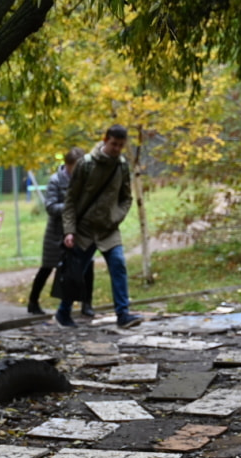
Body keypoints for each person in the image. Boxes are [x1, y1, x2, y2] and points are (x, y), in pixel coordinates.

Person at [58, 125, 143, 329]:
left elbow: (126, 198)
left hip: (108, 229)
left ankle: (123, 314)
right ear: (105, 140)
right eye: (114, 144)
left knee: (118, 264)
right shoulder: (85, 164)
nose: (116, 149)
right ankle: (63, 312)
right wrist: (69, 230)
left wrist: (116, 217)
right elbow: (70, 200)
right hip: (85, 229)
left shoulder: (121, 166)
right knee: (76, 272)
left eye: (121, 145)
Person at [26, 147, 94, 316]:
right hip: (56, 233)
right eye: (75, 168)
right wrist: (71, 208)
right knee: (48, 267)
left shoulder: (86, 180)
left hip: (80, 232)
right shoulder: (56, 180)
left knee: (87, 267)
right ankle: (33, 301)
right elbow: (50, 207)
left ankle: (87, 304)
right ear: (67, 165)